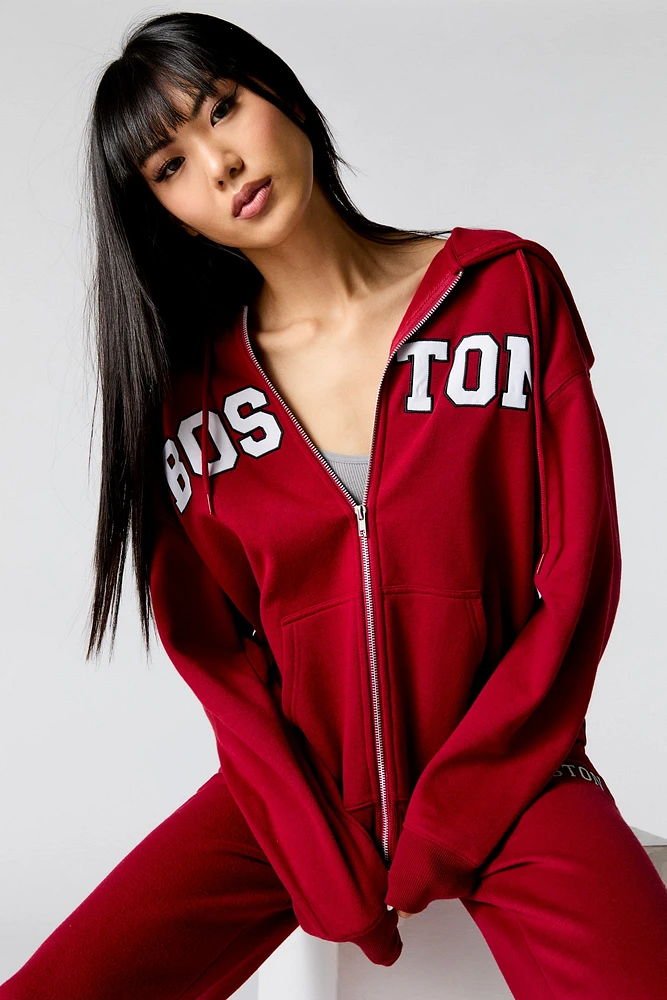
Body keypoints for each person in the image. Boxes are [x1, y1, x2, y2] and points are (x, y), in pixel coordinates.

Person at [2, 9, 667, 1000]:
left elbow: (577, 576)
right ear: (165, 211)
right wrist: (308, 839)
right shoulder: (191, 398)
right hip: (293, 803)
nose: (221, 164)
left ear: (280, 95)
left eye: (223, 109)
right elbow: (212, 649)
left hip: (515, 781)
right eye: (170, 166)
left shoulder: (501, 290)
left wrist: (458, 809)